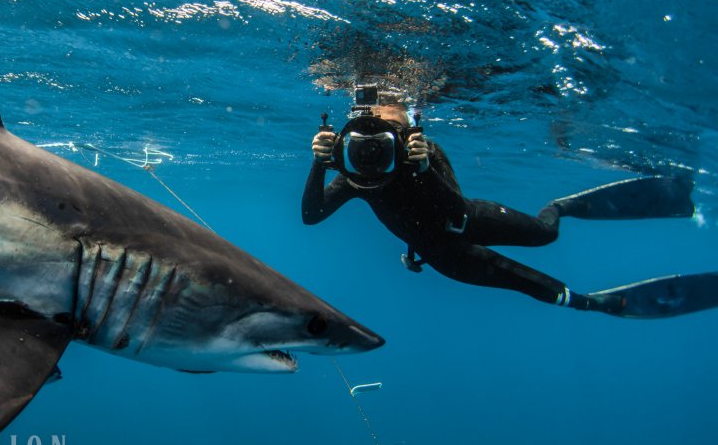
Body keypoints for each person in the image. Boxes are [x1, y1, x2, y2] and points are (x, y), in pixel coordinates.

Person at [302, 98, 707, 317]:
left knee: (545, 234)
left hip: (469, 218)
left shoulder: (421, 154)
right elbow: (311, 215)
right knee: (522, 281)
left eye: (386, 141)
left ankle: (561, 207)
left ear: (403, 132)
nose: (372, 156)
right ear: (346, 146)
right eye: (362, 148)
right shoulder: (354, 176)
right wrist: (319, 165)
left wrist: (424, 168)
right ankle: (593, 304)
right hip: (441, 253)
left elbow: (454, 208)